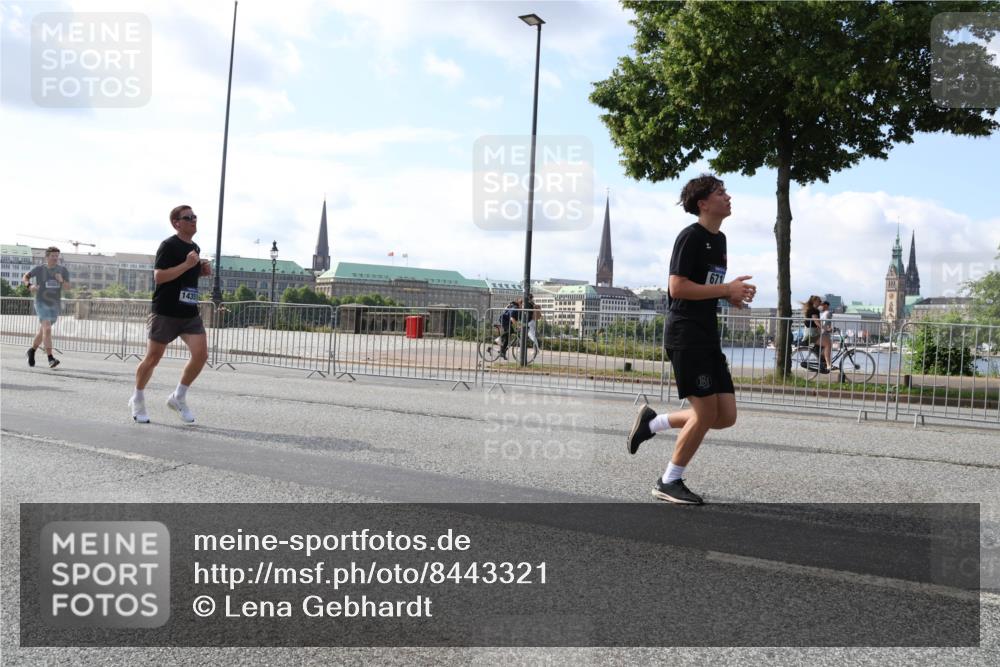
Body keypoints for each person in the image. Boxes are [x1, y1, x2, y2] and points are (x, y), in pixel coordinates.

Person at [625, 174, 756, 505]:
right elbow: (677, 288)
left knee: (724, 416)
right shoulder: (690, 237)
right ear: (703, 203)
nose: (728, 197)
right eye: (720, 192)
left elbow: (705, 288)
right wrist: (725, 289)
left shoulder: (720, 240)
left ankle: (653, 423)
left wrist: (730, 296)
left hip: (708, 336)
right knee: (703, 412)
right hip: (686, 335)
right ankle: (669, 481)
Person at [129, 205, 212, 424]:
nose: (194, 220)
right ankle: (137, 398)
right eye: (188, 217)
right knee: (153, 358)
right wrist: (187, 264)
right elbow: (160, 277)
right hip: (166, 311)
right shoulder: (168, 245)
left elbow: (185, 277)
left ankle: (179, 397)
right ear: (177, 223)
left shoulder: (195, 246)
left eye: (195, 216)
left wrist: (200, 270)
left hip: (189, 312)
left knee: (201, 355)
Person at [23, 246, 71, 369]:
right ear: (47, 257)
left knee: (43, 331)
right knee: (48, 329)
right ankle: (50, 358)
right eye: (53, 256)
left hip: (54, 304)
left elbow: (67, 287)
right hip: (41, 302)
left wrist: (61, 280)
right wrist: (30, 286)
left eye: (57, 256)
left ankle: (32, 350)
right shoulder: (39, 269)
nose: (55, 258)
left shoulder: (63, 270)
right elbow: (26, 276)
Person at [800, 295, 830, 373]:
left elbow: (816, 324)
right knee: (828, 344)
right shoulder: (813, 310)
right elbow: (816, 322)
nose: (820, 303)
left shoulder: (813, 310)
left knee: (825, 344)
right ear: (814, 301)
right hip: (811, 335)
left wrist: (825, 330)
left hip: (811, 334)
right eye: (819, 301)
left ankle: (823, 364)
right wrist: (826, 328)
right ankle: (829, 365)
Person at [818, 300, 834, 369]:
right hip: (824, 332)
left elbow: (827, 323)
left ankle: (824, 364)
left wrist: (828, 328)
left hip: (823, 332)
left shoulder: (827, 313)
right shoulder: (826, 313)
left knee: (825, 348)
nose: (821, 306)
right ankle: (828, 365)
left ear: (826, 305)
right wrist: (828, 329)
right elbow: (827, 324)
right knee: (828, 347)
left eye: (822, 305)